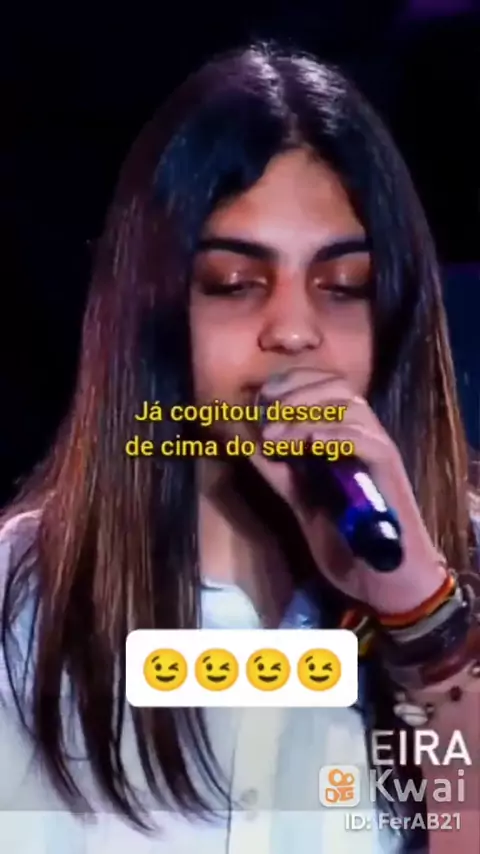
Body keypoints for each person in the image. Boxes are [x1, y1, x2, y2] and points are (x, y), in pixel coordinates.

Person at [0, 42, 479, 854]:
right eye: (233, 284)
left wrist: (421, 619)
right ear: (155, 314)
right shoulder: (21, 609)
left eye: (343, 288)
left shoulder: (458, 577)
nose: (293, 330)